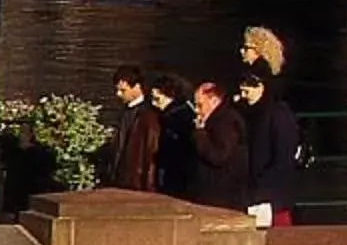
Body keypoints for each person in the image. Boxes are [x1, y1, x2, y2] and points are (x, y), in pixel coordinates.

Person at [237, 67, 302, 227]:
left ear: (261, 87)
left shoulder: (278, 114)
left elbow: (283, 158)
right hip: (254, 191)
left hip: (271, 196)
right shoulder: (251, 112)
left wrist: (260, 187)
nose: (243, 97)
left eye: (247, 92)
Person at [187, 76, 251, 212]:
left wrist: (200, 134)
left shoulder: (226, 123)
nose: (197, 111)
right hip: (212, 196)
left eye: (200, 105)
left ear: (214, 101)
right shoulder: (219, 121)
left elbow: (219, 156)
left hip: (221, 198)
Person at [103, 67, 162, 192]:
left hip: (135, 179)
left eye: (123, 90)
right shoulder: (126, 111)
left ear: (137, 87)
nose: (118, 94)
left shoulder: (150, 115)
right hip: (120, 176)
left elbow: (150, 149)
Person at [149, 72, 194, 200]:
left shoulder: (174, 119)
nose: (154, 104)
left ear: (171, 96)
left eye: (157, 99)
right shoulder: (185, 113)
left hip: (175, 173)